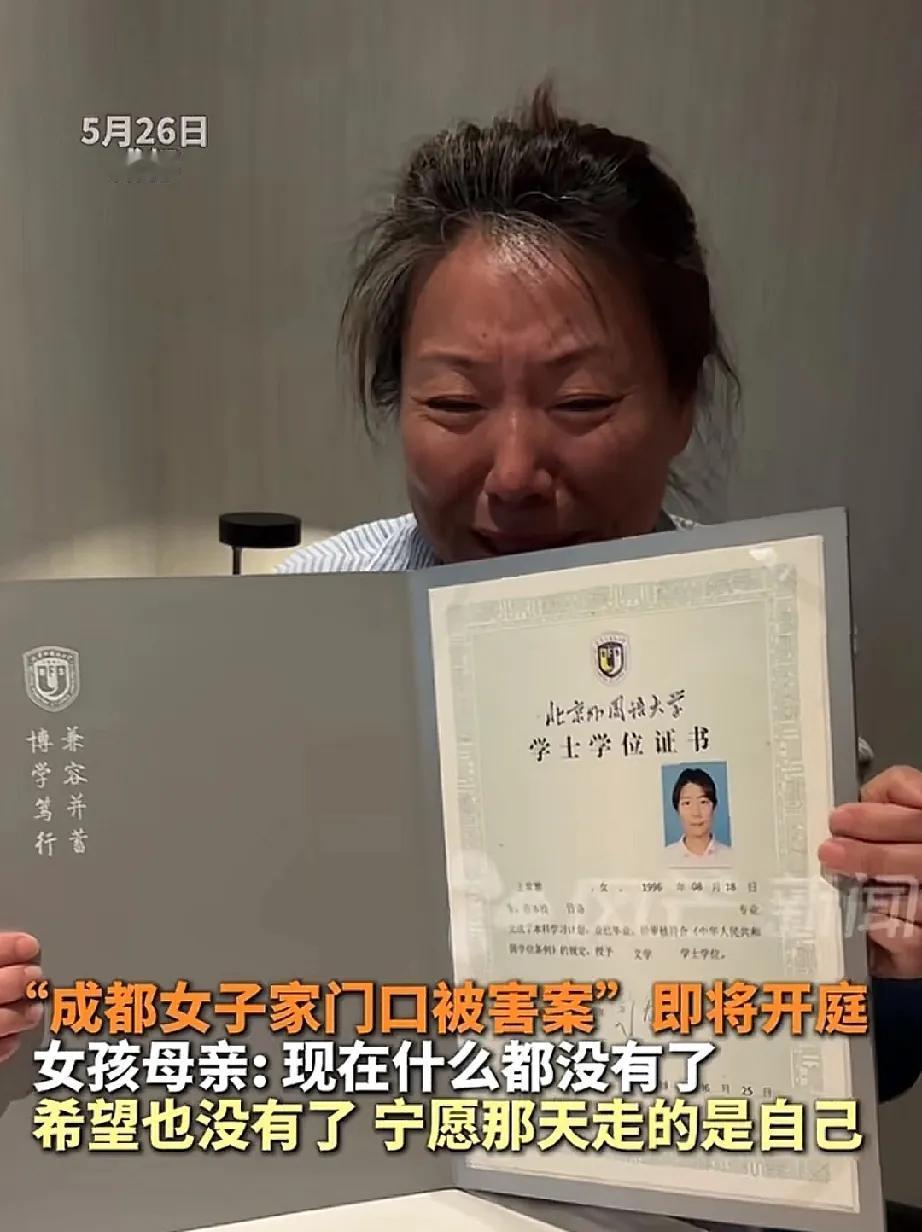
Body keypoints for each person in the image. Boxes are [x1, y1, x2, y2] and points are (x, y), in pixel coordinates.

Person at [1, 84, 920, 1117]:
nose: (514, 471)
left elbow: (868, 1064)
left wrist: (893, 947)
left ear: (681, 403)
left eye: (580, 402)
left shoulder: (764, 634)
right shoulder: (301, 618)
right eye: (452, 403)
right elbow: (164, 955)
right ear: (396, 404)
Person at [665, 767, 731, 866]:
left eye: (703, 802)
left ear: (714, 807)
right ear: (677, 809)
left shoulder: (730, 856)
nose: (696, 813)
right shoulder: (665, 858)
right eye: (687, 803)